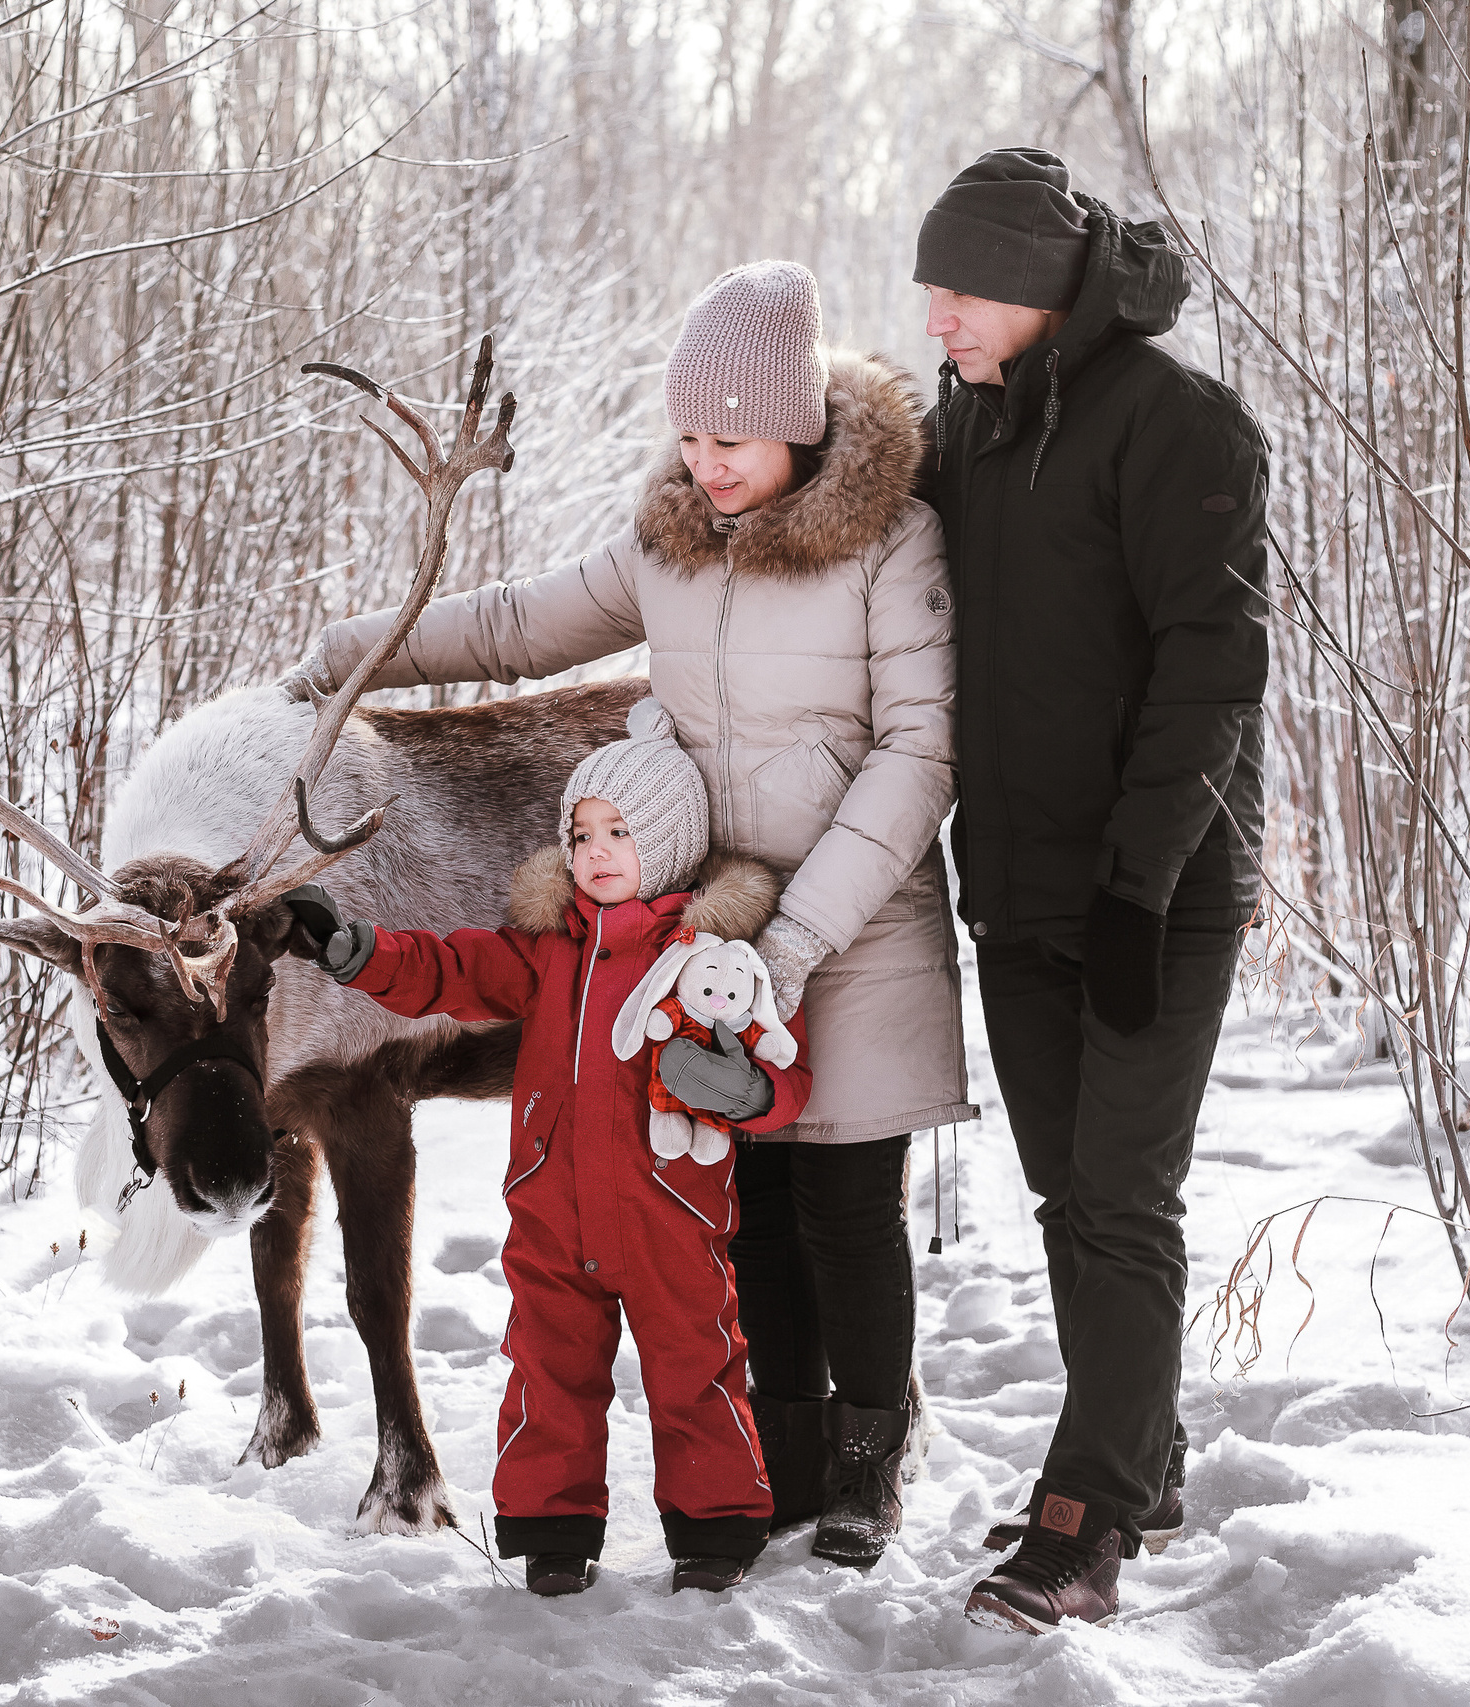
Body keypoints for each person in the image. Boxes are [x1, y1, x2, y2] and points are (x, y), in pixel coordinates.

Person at [297, 261, 972, 1568]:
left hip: (861, 923)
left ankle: (869, 1455)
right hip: (712, 934)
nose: (705, 462)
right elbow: (515, 625)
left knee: (844, 1203)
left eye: (731, 439)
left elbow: (918, 755)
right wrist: (352, 650)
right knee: (746, 1203)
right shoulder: (670, 544)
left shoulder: (891, 542)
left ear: (798, 426)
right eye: (689, 436)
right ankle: (785, 1453)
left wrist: (797, 938)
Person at [911, 147, 1270, 1632]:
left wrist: (1139, 884)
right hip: (1016, 882)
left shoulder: (1179, 422)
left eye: (960, 289)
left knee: (1120, 1197)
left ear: (1043, 286)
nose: (936, 316)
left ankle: (1086, 1519)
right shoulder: (969, 417)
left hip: (1154, 889)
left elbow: (1212, 667)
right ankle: (1147, 1456)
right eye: (928, 289)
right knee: (1072, 1195)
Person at [293, 701, 810, 1595]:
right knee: (547, 1370)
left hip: (669, 1216)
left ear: (671, 844)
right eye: (580, 834)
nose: (595, 852)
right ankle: (553, 1529)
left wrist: (753, 1092)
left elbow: (783, 1057)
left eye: (620, 833)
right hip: (553, 1213)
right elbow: (450, 967)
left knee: (696, 1367)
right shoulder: (546, 950)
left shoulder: (710, 962)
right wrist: (358, 952)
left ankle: (716, 1528)